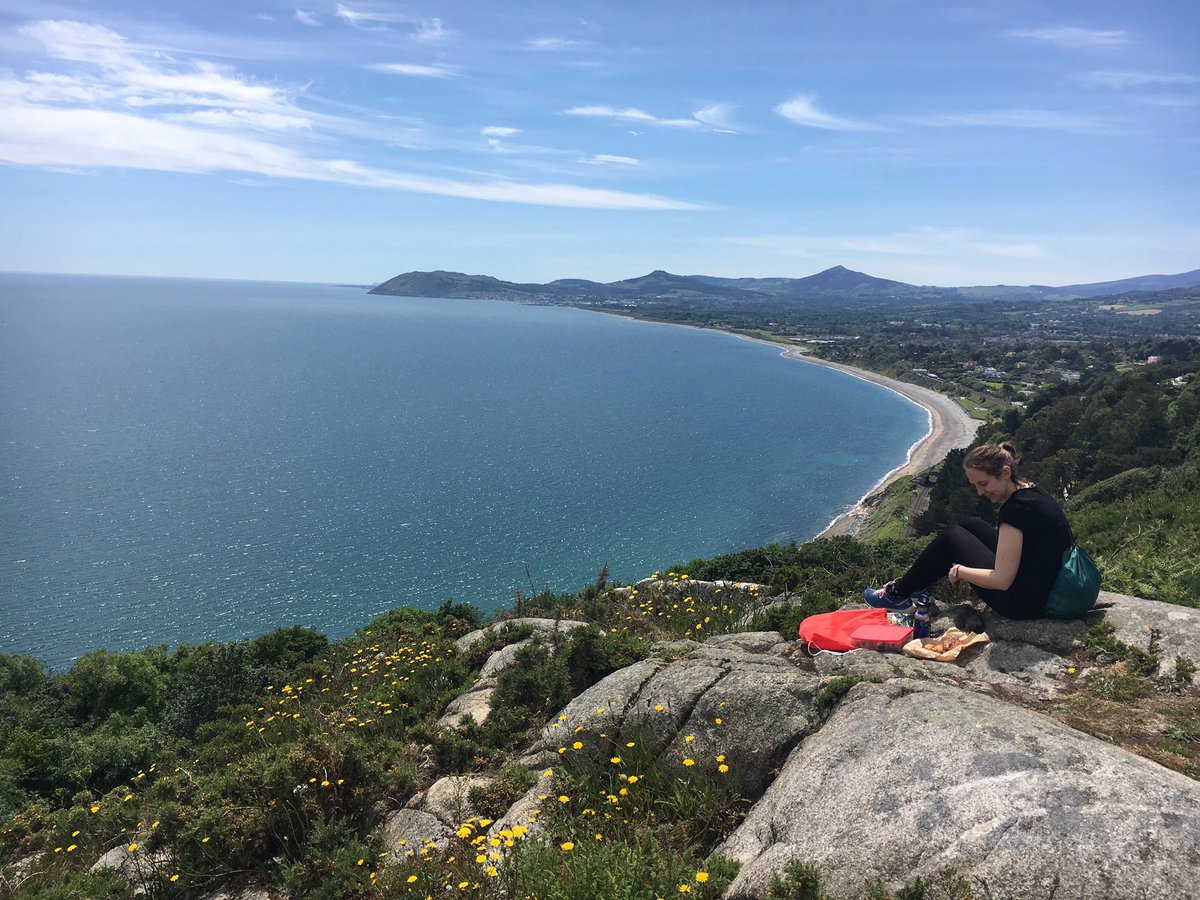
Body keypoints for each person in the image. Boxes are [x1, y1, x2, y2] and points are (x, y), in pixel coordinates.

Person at [863, 442, 1072, 620]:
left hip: (1023, 604)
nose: (980, 492)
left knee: (951, 536)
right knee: (970, 524)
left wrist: (958, 571)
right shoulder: (1031, 490)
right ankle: (916, 587)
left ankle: (898, 594)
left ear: (1006, 473)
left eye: (983, 483)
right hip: (1045, 586)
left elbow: (1002, 580)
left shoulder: (1015, 511)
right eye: (975, 486)